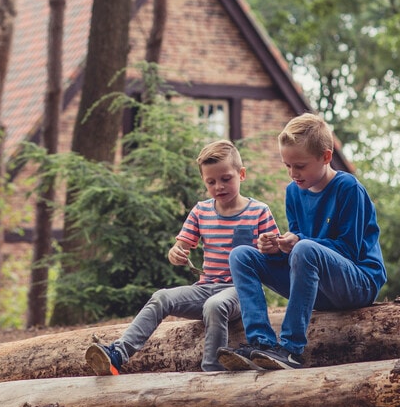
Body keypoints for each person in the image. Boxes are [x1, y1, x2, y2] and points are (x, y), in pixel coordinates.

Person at [85, 139, 279, 374]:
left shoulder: (259, 211)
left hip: (241, 291)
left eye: (226, 179)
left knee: (214, 305)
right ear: (204, 182)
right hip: (206, 287)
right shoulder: (201, 211)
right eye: (211, 182)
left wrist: (269, 246)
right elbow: (179, 247)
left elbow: (274, 258)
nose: (219, 186)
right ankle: (118, 353)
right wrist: (175, 253)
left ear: (242, 174)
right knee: (162, 297)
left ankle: (212, 370)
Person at [218, 113, 386, 371]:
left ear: (326, 157)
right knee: (241, 255)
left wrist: (299, 242)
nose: (293, 173)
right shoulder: (293, 192)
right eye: (287, 165)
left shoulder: (348, 189)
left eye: (300, 166)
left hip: (358, 283)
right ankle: (262, 343)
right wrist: (277, 249)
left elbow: (349, 251)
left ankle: (291, 350)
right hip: (317, 287)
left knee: (305, 248)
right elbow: (299, 252)